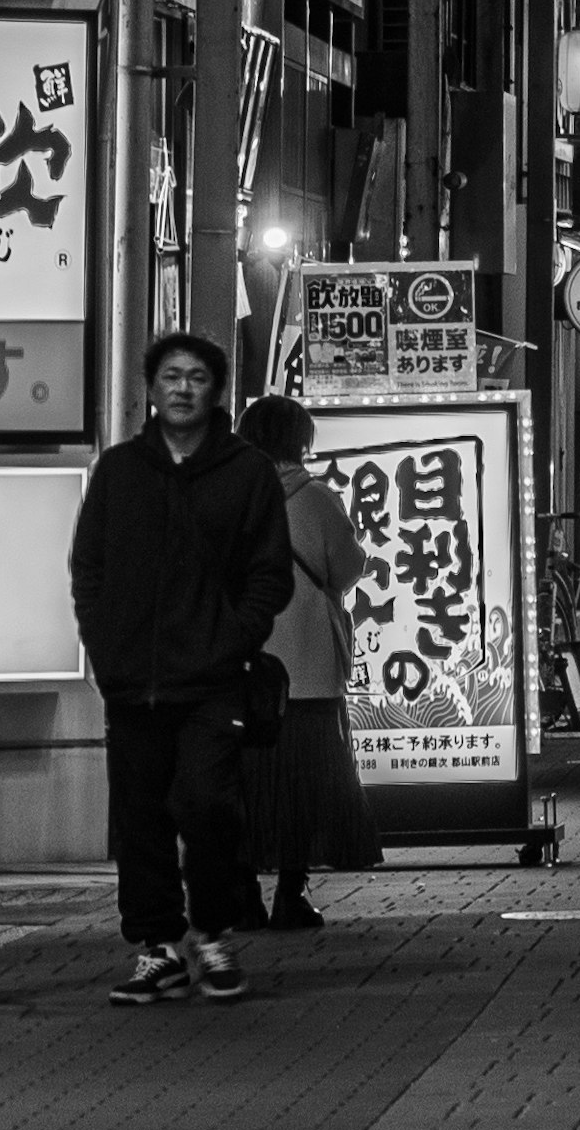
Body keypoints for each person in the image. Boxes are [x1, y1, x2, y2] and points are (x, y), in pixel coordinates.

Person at [67, 328, 297, 1006]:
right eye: (171, 376)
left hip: (213, 678)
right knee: (139, 816)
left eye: (196, 376)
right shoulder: (120, 470)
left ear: (216, 389)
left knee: (207, 804)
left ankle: (215, 934)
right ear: (152, 386)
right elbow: (90, 568)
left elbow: (269, 575)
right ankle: (158, 948)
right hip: (132, 679)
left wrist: (234, 638)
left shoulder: (246, 471)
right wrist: (106, 646)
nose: (183, 388)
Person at [240, 396, 379, 934]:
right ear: (302, 440)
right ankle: (290, 895)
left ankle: (242, 895)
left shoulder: (229, 497)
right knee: (303, 783)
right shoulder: (317, 498)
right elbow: (345, 570)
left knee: (247, 783)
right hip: (308, 669)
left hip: (245, 666)